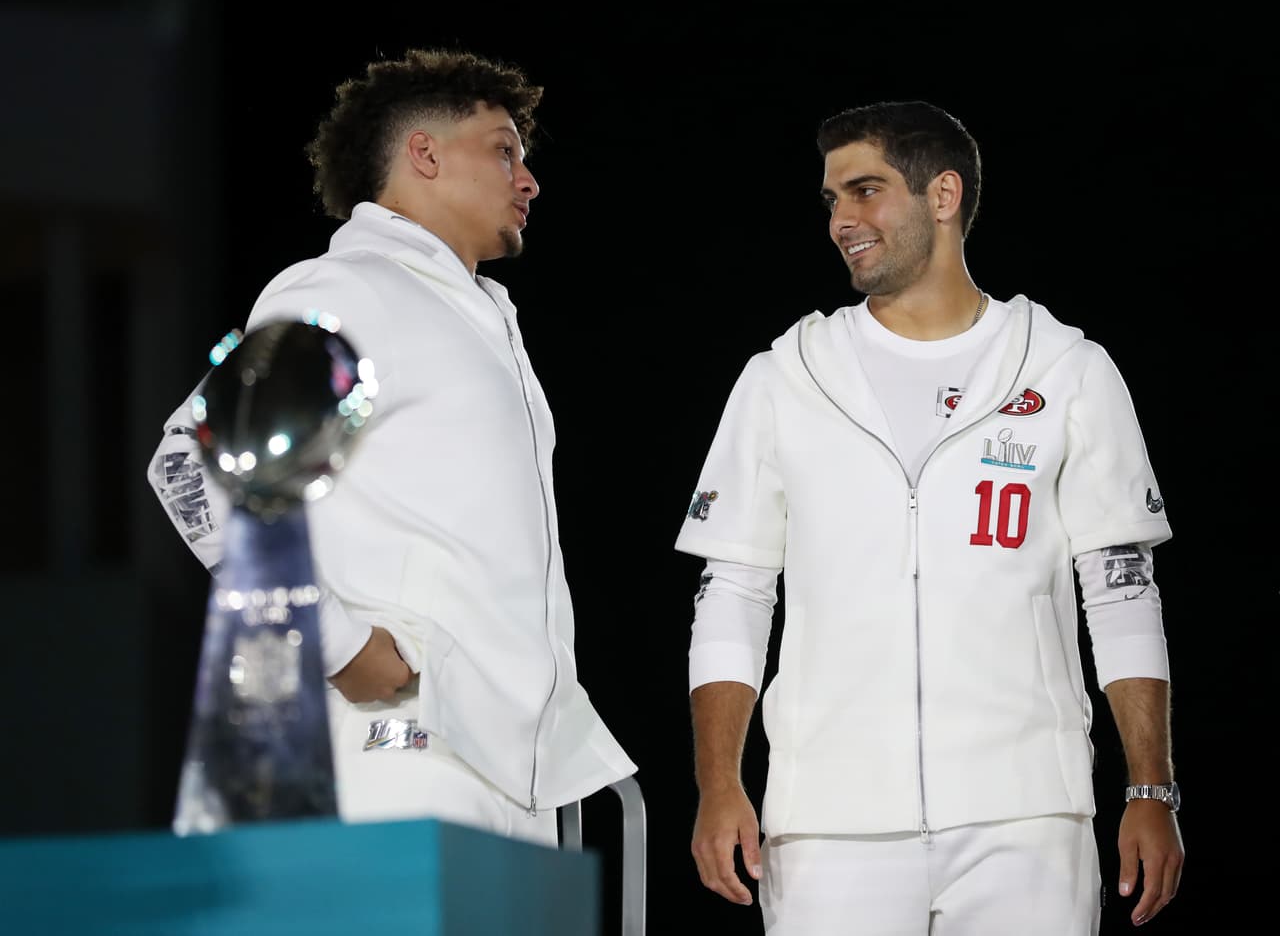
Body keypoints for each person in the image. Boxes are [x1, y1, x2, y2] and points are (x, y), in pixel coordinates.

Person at [675, 100, 1183, 933]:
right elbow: (732, 589)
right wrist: (720, 783)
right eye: (832, 199)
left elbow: (1123, 591)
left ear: (942, 195)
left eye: (865, 191)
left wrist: (1150, 787)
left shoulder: (1067, 368)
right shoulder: (785, 377)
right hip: (827, 827)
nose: (842, 220)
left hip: (1027, 821)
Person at [148, 47, 636, 847]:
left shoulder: (477, 317)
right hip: (399, 743)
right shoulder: (353, 287)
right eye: (504, 149)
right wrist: (334, 640)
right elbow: (185, 464)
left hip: (505, 770)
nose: (528, 179)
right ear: (425, 154)